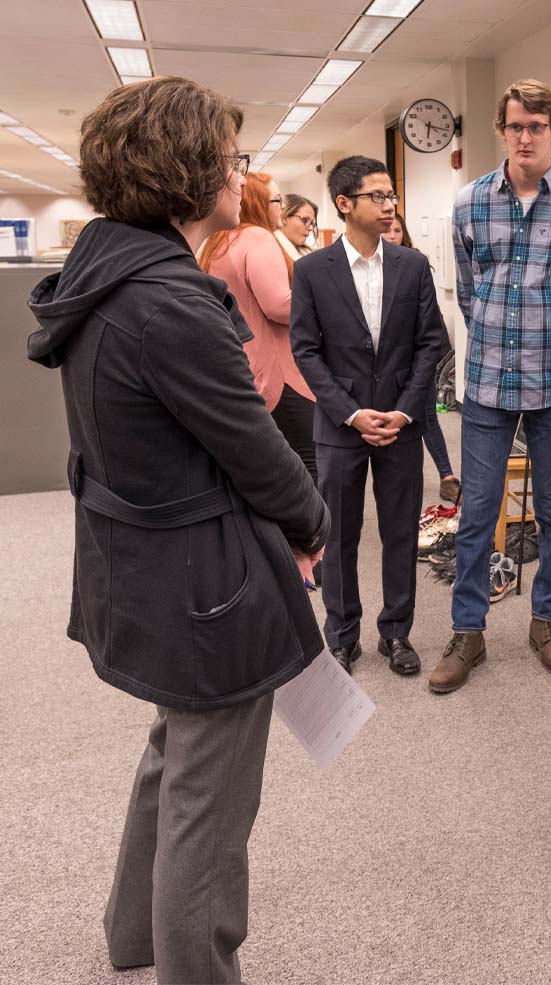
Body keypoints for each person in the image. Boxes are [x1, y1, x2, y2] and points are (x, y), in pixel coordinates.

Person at [26, 77, 329, 984]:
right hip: (205, 589)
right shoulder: (169, 300)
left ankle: (135, 938)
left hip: (143, 569)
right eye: (231, 157)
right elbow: (257, 451)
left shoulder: (107, 271)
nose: (241, 172)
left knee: (175, 758)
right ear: (191, 170)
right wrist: (313, 522)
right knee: (210, 806)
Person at [428, 79, 551, 694]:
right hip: (486, 381)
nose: (526, 136)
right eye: (516, 126)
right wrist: (502, 331)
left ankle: (547, 622)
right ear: (501, 131)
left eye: (537, 125)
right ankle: (468, 632)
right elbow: (469, 284)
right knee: (478, 512)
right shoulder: (470, 202)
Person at [291, 156, 443, 677]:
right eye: (377, 196)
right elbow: (305, 351)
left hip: (401, 425)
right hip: (340, 427)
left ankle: (396, 634)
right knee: (340, 535)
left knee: (401, 531)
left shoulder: (412, 265)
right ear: (345, 204)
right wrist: (352, 413)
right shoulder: (311, 270)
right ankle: (342, 636)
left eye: (391, 197)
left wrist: (403, 411)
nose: (389, 206)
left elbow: (432, 344)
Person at [199, 174, 320, 581]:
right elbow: (279, 305)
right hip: (281, 371)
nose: (278, 209)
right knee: (305, 464)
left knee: (266, 465)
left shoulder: (217, 243)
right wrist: (327, 293)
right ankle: (307, 557)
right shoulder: (257, 239)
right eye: (273, 201)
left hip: (244, 367)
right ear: (254, 203)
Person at [382, 212, 461, 503]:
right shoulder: (374, 267)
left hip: (419, 356)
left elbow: (428, 314)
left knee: (427, 416)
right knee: (405, 419)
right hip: (389, 361)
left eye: (397, 230)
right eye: (388, 231)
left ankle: (447, 477)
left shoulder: (416, 263)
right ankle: (422, 480)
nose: (392, 235)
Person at [278, 192, 319, 259]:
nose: (311, 228)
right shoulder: (271, 251)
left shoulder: (306, 253)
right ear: (284, 218)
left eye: (312, 223)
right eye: (305, 220)